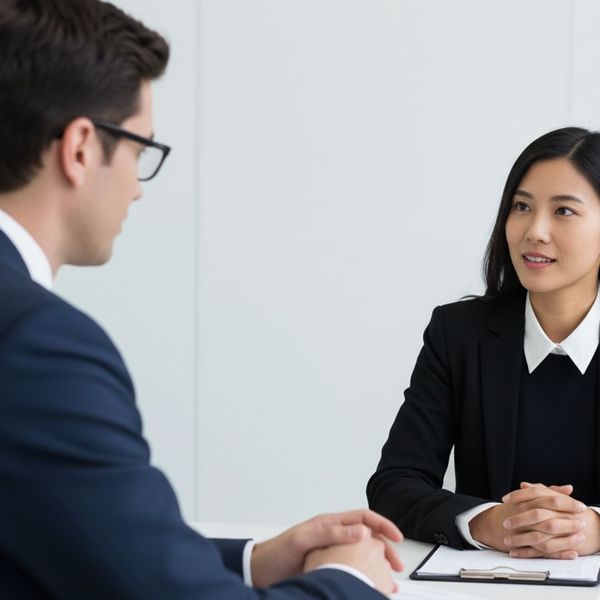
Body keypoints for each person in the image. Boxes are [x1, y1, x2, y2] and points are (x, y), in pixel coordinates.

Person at [0, 1, 403, 597]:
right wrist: (348, 581)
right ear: (82, 147)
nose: (138, 187)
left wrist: (253, 560)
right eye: (141, 150)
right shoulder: (40, 344)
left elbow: (51, 533)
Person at [368, 126, 600, 561]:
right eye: (522, 206)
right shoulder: (458, 333)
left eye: (564, 211)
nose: (535, 231)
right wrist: (487, 521)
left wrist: (596, 528)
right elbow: (393, 484)